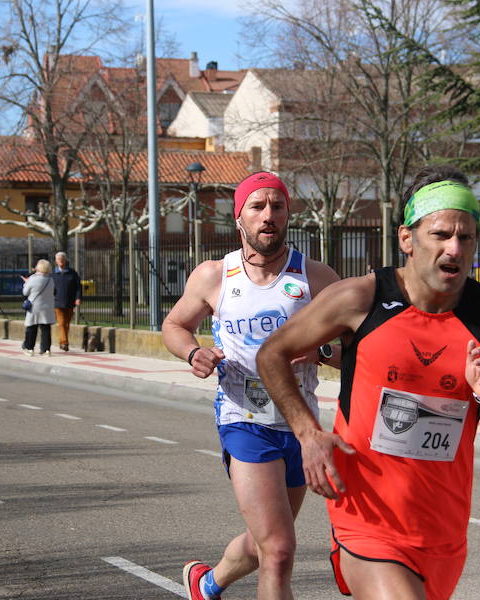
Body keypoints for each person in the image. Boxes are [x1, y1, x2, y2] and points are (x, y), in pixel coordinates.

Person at [255, 165, 480, 600]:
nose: (455, 249)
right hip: (365, 519)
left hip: (442, 533)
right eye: (441, 235)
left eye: (466, 238)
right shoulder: (361, 298)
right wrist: (307, 433)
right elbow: (271, 353)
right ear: (408, 239)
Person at [161, 172, 340, 600]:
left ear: (288, 215)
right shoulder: (214, 275)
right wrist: (192, 352)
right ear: (239, 218)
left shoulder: (316, 277)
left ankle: (207, 583)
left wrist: (322, 353)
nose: (268, 216)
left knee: (265, 544)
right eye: (257, 207)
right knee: (279, 550)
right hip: (244, 419)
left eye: (277, 207)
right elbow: (174, 324)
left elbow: (355, 349)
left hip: (300, 426)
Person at [21, 259, 56, 357]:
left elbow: (25, 292)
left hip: (34, 306)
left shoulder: (33, 278)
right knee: (45, 329)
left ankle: (29, 348)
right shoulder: (50, 280)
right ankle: (46, 349)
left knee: (32, 328)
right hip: (47, 307)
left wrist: (25, 283)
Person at [52, 251, 82, 351]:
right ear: (56, 261)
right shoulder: (53, 274)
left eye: (62, 259)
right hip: (57, 302)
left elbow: (78, 287)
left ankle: (62, 341)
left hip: (70, 302)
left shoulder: (72, 273)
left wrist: (78, 298)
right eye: (59, 259)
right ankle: (64, 342)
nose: (61, 261)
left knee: (67, 324)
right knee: (61, 322)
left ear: (65, 260)